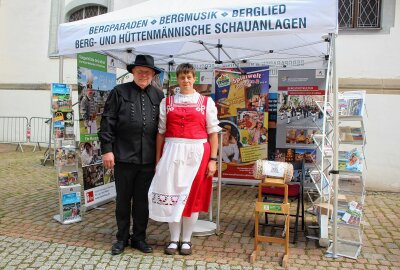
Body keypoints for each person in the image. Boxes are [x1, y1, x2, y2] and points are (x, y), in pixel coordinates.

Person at [148, 63, 221, 256]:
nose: (186, 80)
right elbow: (160, 133)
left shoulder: (206, 102)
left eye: (189, 77)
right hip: (171, 151)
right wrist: (158, 160)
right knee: (172, 194)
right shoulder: (167, 102)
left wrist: (213, 160)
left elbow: (213, 134)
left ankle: (186, 239)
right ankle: (173, 239)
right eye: (182, 77)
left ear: (194, 78)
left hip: (198, 153)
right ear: (177, 80)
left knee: (192, 197)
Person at [98, 55, 164, 255]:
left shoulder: (159, 96)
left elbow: (164, 127)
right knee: (123, 200)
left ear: (153, 74)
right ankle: (122, 238)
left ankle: (139, 238)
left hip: (148, 159)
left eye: (147, 72)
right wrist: (107, 149)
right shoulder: (119, 92)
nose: (144, 74)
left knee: (143, 201)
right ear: (133, 72)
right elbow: (107, 121)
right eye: (140, 71)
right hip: (124, 156)